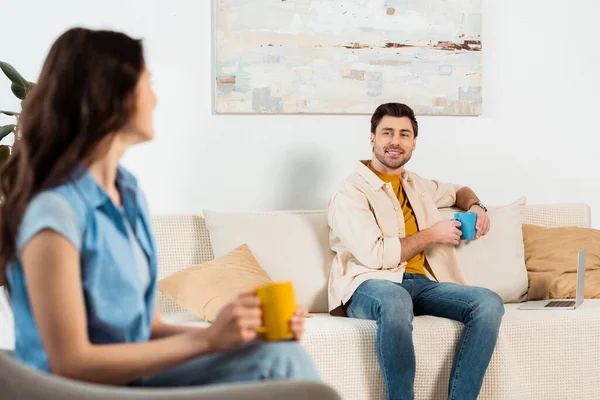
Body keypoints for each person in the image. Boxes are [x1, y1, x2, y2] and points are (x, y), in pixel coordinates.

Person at [0, 27, 318, 387]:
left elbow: (147, 331)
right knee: (278, 363)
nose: (155, 99)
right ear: (111, 95)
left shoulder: (128, 194)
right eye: (147, 83)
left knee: (278, 351)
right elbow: (71, 362)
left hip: (132, 378)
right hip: (74, 390)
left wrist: (236, 334)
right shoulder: (55, 213)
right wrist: (207, 340)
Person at [327, 103, 504, 400]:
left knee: (487, 303)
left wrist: (476, 205)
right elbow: (375, 255)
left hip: (419, 284)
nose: (395, 141)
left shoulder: (416, 184)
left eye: (404, 134)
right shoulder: (350, 192)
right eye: (387, 132)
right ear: (372, 138)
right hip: (368, 285)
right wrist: (433, 234)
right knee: (395, 299)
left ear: (413, 143)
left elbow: (459, 190)